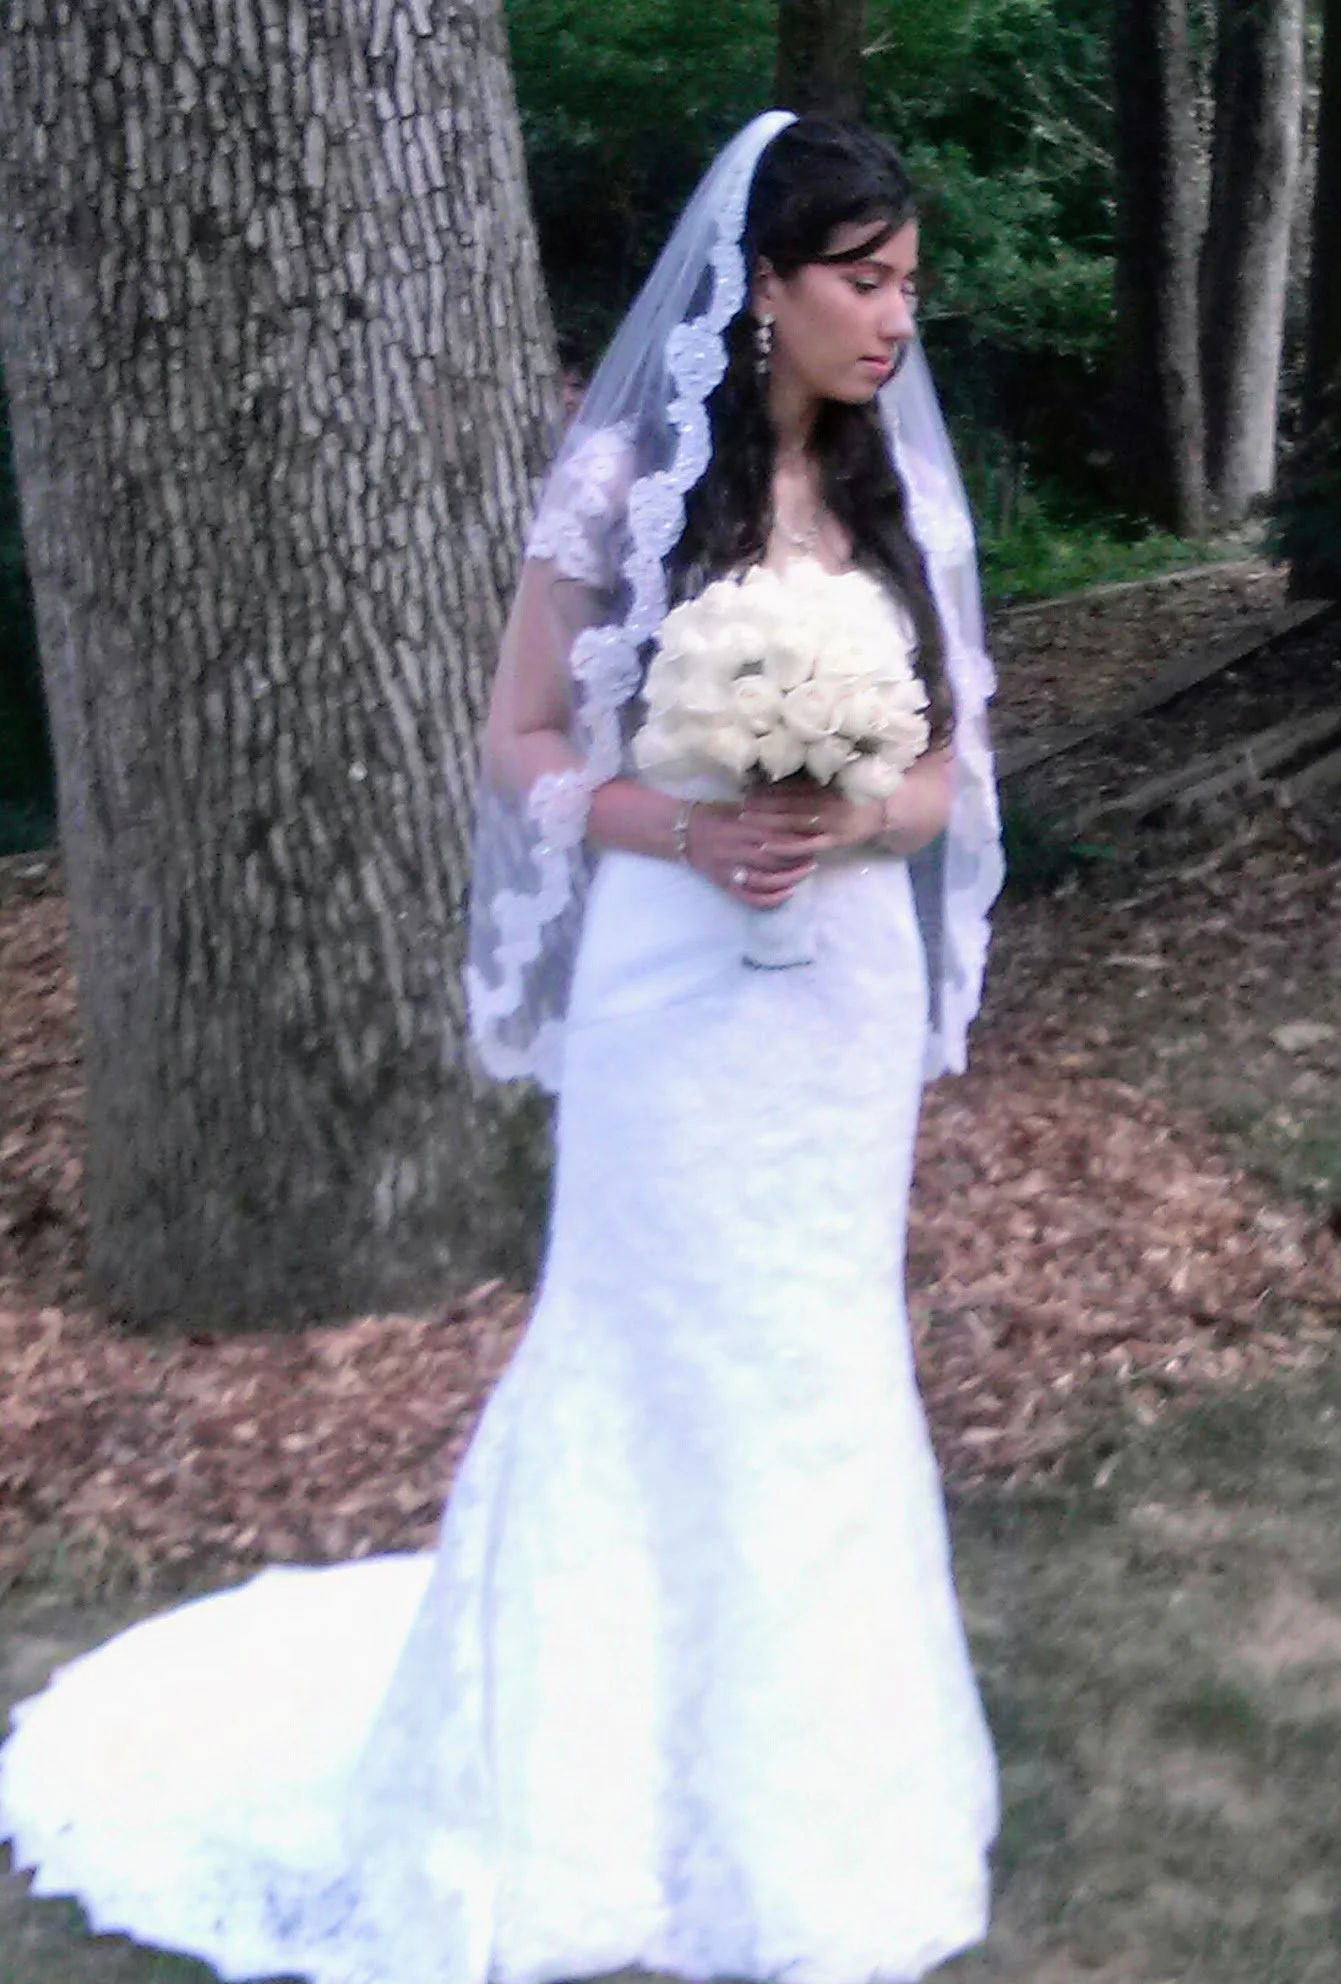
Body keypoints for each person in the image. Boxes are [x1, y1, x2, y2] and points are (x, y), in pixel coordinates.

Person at [0, 112, 1005, 1984]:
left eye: (908, 288)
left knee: (818, 1354)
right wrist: (687, 828)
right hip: (668, 979)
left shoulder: (900, 503)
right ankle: (574, 1809)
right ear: (763, 287)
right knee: (640, 1334)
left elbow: (949, 775)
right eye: (861, 284)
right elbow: (524, 742)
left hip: (839, 990)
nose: (892, 322)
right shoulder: (626, 476)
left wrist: (856, 815)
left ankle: (810, 1815)